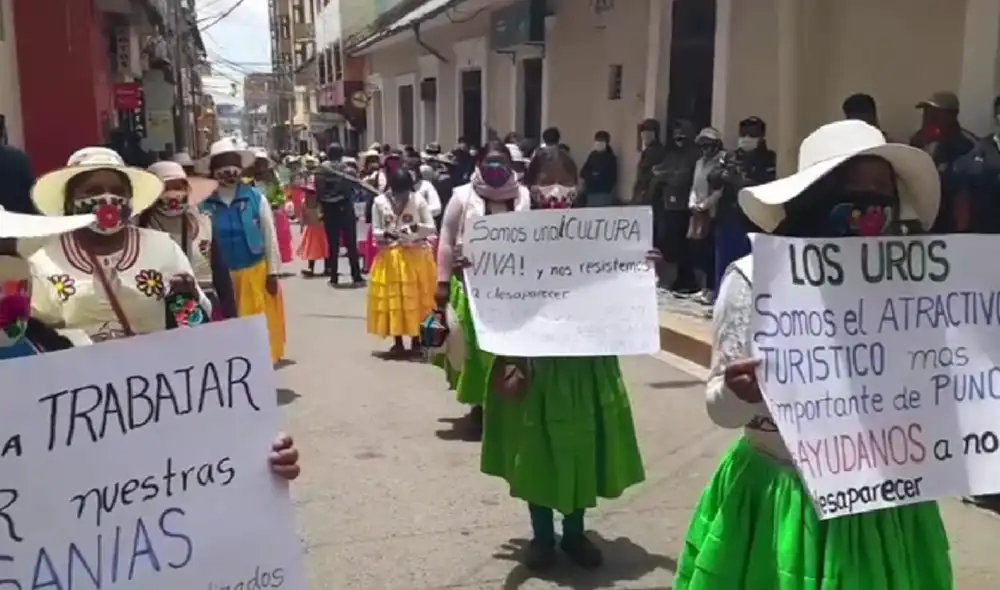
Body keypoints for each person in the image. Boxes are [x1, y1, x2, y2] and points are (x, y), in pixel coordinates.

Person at [674, 120, 949, 589]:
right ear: (813, 199)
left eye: (880, 196)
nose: (869, 211)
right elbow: (720, 408)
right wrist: (743, 392)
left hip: (885, 502)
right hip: (784, 500)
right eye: (852, 194)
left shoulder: (911, 284)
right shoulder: (753, 279)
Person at [466, 150, 651, 571]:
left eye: (564, 179)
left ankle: (574, 532)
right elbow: (498, 297)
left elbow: (614, 287)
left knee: (578, 448)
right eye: (545, 179)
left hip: (584, 362)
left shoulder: (601, 236)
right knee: (535, 449)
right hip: (532, 362)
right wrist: (472, 270)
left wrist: (640, 269)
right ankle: (542, 536)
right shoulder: (509, 234)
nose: (556, 189)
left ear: (578, 184)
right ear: (529, 184)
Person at [29, 147, 210, 340]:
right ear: (69, 201)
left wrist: (189, 300)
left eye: (117, 191)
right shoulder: (45, 262)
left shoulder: (163, 248)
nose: (107, 199)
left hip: (155, 367)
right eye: (93, 191)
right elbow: (38, 335)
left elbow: (195, 325)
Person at [433, 140, 531, 437]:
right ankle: (479, 407)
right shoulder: (461, 197)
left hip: (514, 289)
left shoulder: (525, 196)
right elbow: (446, 240)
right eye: (490, 162)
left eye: (502, 161)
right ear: (478, 164)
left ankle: (505, 404)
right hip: (471, 288)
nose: (496, 168)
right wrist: (442, 281)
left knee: (507, 350)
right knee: (477, 351)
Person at [197, 138, 287, 363]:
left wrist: (272, 272)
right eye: (222, 164)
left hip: (253, 272)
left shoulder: (256, 197)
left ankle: (255, 367)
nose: (229, 170)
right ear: (213, 169)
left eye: (233, 163)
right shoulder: (202, 202)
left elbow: (269, 235)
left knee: (254, 325)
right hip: (218, 277)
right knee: (225, 326)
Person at [142, 161, 237, 320]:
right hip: (157, 315)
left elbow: (221, 277)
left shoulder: (204, 224)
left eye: (179, 187)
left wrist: (232, 317)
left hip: (205, 308)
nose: (174, 194)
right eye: (166, 188)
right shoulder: (140, 229)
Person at [367, 168, 437, 358]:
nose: (402, 198)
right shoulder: (379, 202)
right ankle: (397, 341)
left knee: (414, 298)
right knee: (394, 299)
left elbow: (431, 227)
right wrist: (387, 234)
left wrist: (414, 229)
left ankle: (416, 341)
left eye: (405, 193)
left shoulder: (418, 201)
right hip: (390, 257)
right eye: (398, 193)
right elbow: (376, 230)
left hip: (416, 256)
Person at [711, 116, 775, 291]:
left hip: (754, 219)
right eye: (743, 133)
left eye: (752, 134)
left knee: (749, 266)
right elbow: (713, 180)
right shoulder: (731, 156)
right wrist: (720, 175)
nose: (746, 138)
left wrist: (739, 180)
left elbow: (766, 186)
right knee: (724, 263)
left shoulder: (769, 159)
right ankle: (720, 298)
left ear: (761, 136)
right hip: (728, 217)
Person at [909, 91, 981, 233]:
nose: (928, 117)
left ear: (950, 116)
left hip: (952, 223)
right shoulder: (919, 138)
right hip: (924, 217)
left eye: (934, 113)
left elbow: (967, 186)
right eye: (926, 112)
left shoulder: (967, 144)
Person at [649, 120, 700, 291]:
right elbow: (657, 170)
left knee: (685, 246)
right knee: (671, 244)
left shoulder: (693, 154)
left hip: (685, 207)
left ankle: (688, 280)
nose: (678, 137)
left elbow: (681, 178)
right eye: (676, 133)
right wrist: (666, 174)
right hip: (668, 205)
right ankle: (676, 278)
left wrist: (665, 175)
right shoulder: (672, 154)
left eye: (682, 133)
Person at [313, 142, 366, 287]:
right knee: (351, 243)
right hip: (345, 208)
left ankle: (334, 276)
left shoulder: (320, 170)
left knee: (333, 244)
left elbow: (319, 192)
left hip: (329, 209)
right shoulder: (348, 170)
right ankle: (356, 275)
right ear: (341, 154)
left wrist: (321, 207)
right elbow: (354, 189)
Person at [688, 127, 724, 305]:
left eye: (708, 145)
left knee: (711, 252)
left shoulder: (721, 161)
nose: (705, 149)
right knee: (699, 251)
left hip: (713, 213)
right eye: (702, 146)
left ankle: (712, 289)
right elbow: (694, 186)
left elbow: (720, 191)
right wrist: (693, 202)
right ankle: (704, 288)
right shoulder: (699, 163)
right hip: (698, 213)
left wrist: (706, 204)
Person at [579, 130, 619, 207]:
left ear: (607, 142)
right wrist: (593, 175)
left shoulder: (610, 158)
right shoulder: (592, 155)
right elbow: (583, 172)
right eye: (597, 140)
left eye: (601, 140)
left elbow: (609, 177)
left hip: (604, 193)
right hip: (590, 192)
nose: (598, 142)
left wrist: (594, 175)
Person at [632, 118, 666, 205]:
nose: (644, 135)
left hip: (651, 195)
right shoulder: (647, 150)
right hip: (642, 194)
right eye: (643, 132)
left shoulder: (658, 150)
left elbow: (653, 174)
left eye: (648, 132)